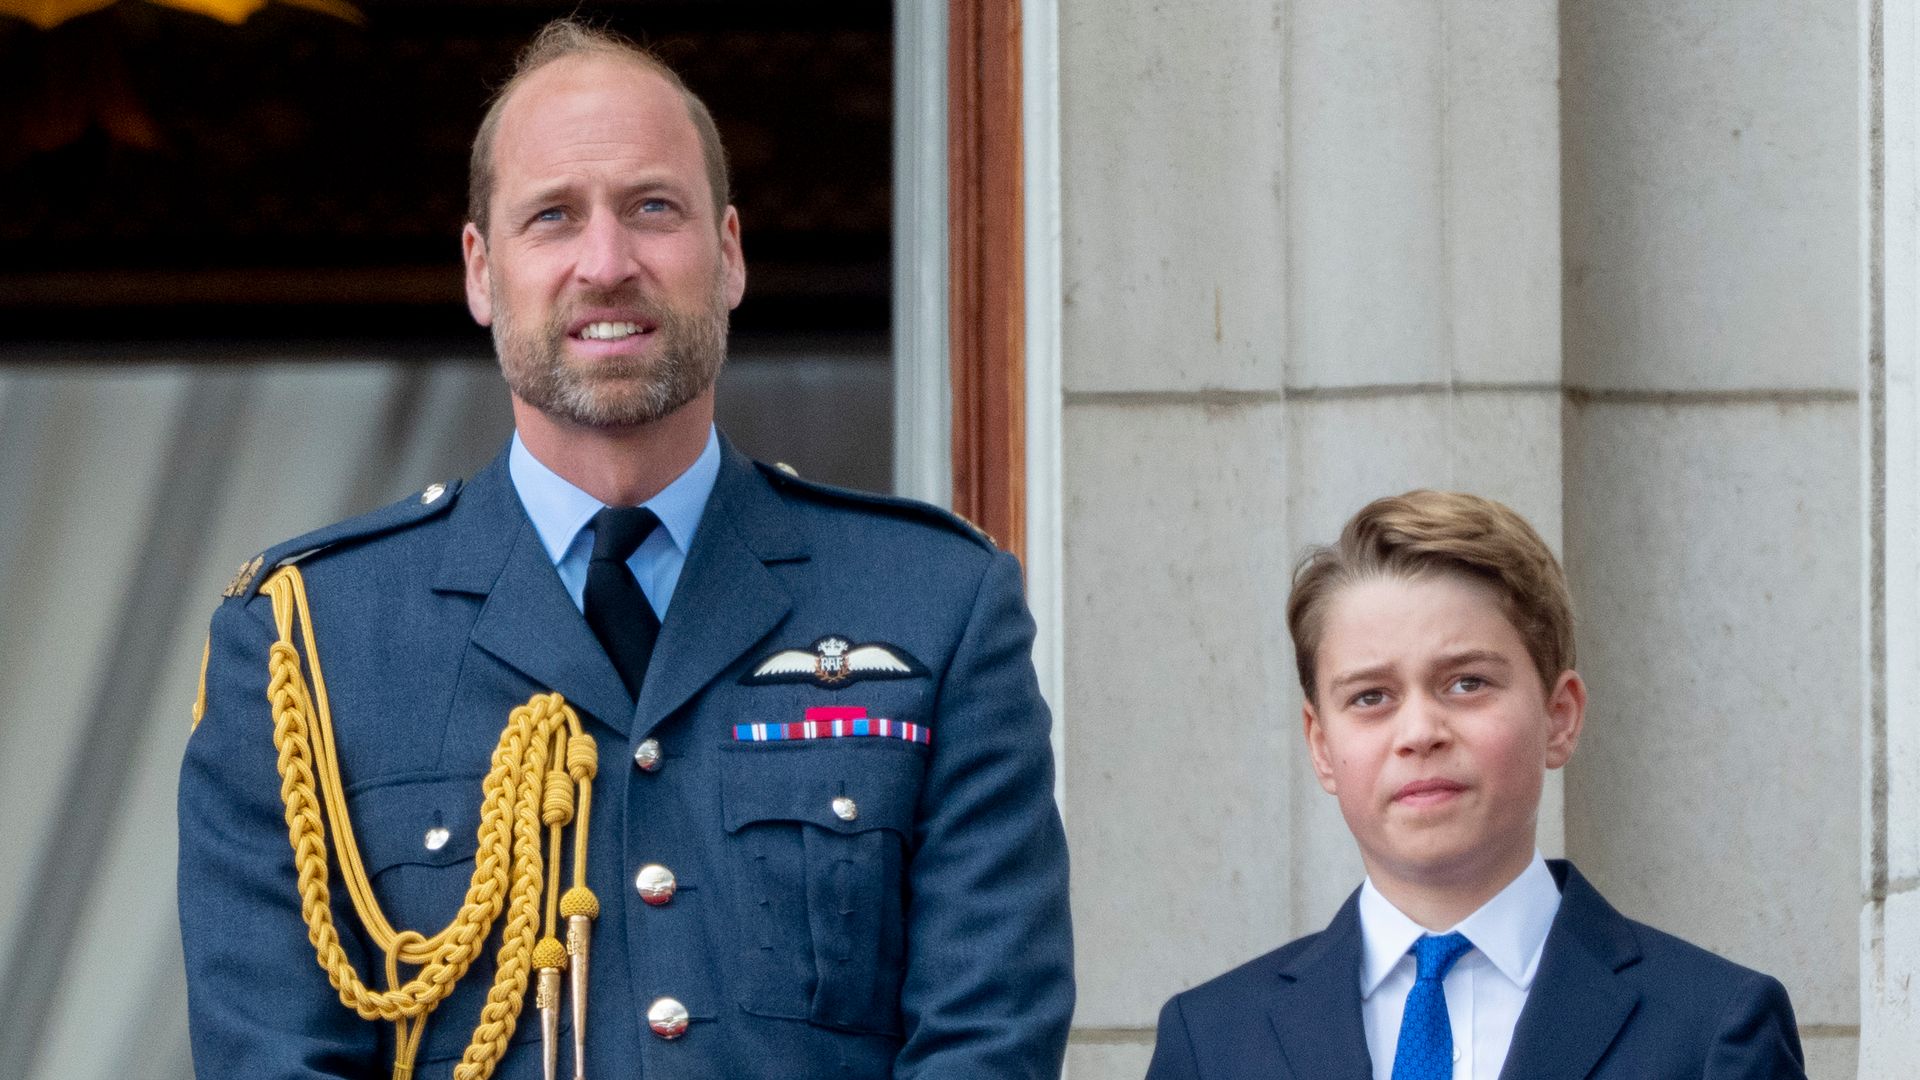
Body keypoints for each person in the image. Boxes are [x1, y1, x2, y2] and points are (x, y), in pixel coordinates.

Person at [177, 19, 1072, 1080]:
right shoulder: (309, 645)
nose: (606, 264)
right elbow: (275, 1058)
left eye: (653, 208)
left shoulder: (936, 606)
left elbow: (987, 1044)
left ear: (729, 254)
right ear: (481, 271)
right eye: (552, 217)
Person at [1145, 491, 1805, 1080]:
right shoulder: (1211, 1044)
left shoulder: (1712, 1027)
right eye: (1371, 696)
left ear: (1559, 716)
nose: (1420, 731)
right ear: (1321, 746)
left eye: (1466, 683)